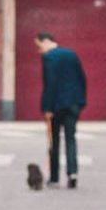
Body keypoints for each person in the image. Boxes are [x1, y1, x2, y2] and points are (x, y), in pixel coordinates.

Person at [35, 31, 87, 187]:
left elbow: (50, 84)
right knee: (71, 138)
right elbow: (82, 78)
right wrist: (80, 101)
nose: (39, 51)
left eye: (39, 46)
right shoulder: (72, 54)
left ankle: (54, 177)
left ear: (46, 41)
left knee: (54, 141)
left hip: (57, 105)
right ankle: (72, 174)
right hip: (73, 104)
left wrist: (47, 108)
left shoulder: (49, 57)